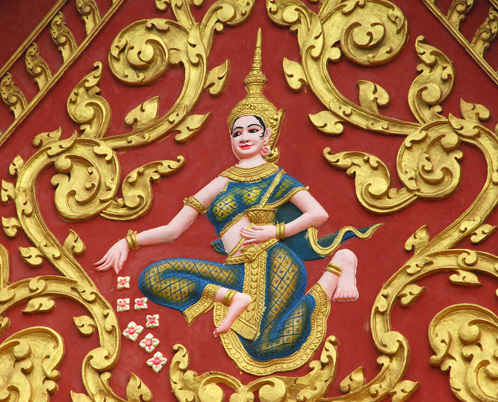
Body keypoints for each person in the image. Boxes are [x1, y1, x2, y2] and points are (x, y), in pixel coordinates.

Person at [95, 30, 378, 375]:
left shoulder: (278, 178)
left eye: (251, 131)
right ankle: (231, 298)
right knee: (153, 276)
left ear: (266, 137)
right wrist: (129, 240)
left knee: (266, 349)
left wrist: (275, 231)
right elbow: (173, 230)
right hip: (237, 271)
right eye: (237, 132)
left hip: (276, 263)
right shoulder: (221, 181)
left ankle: (340, 265)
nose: (243, 137)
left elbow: (318, 214)